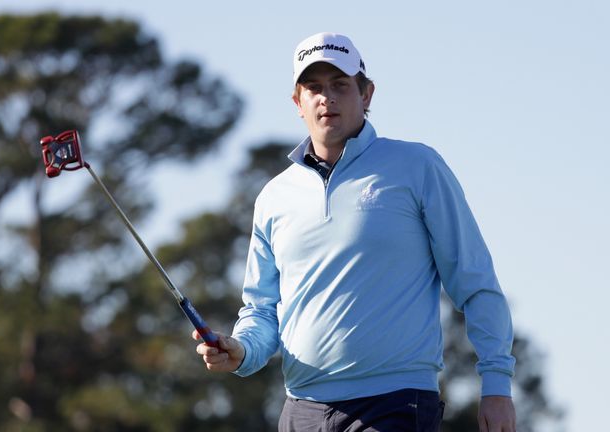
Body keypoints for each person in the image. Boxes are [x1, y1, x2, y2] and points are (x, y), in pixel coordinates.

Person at [193, 32, 517, 432]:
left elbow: (475, 281)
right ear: (298, 103)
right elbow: (261, 310)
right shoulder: (274, 196)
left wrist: (497, 385)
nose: (326, 98)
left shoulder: (417, 167)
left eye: (340, 86)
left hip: (395, 404)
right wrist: (241, 352)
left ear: (367, 95)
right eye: (313, 87)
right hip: (301, 410)